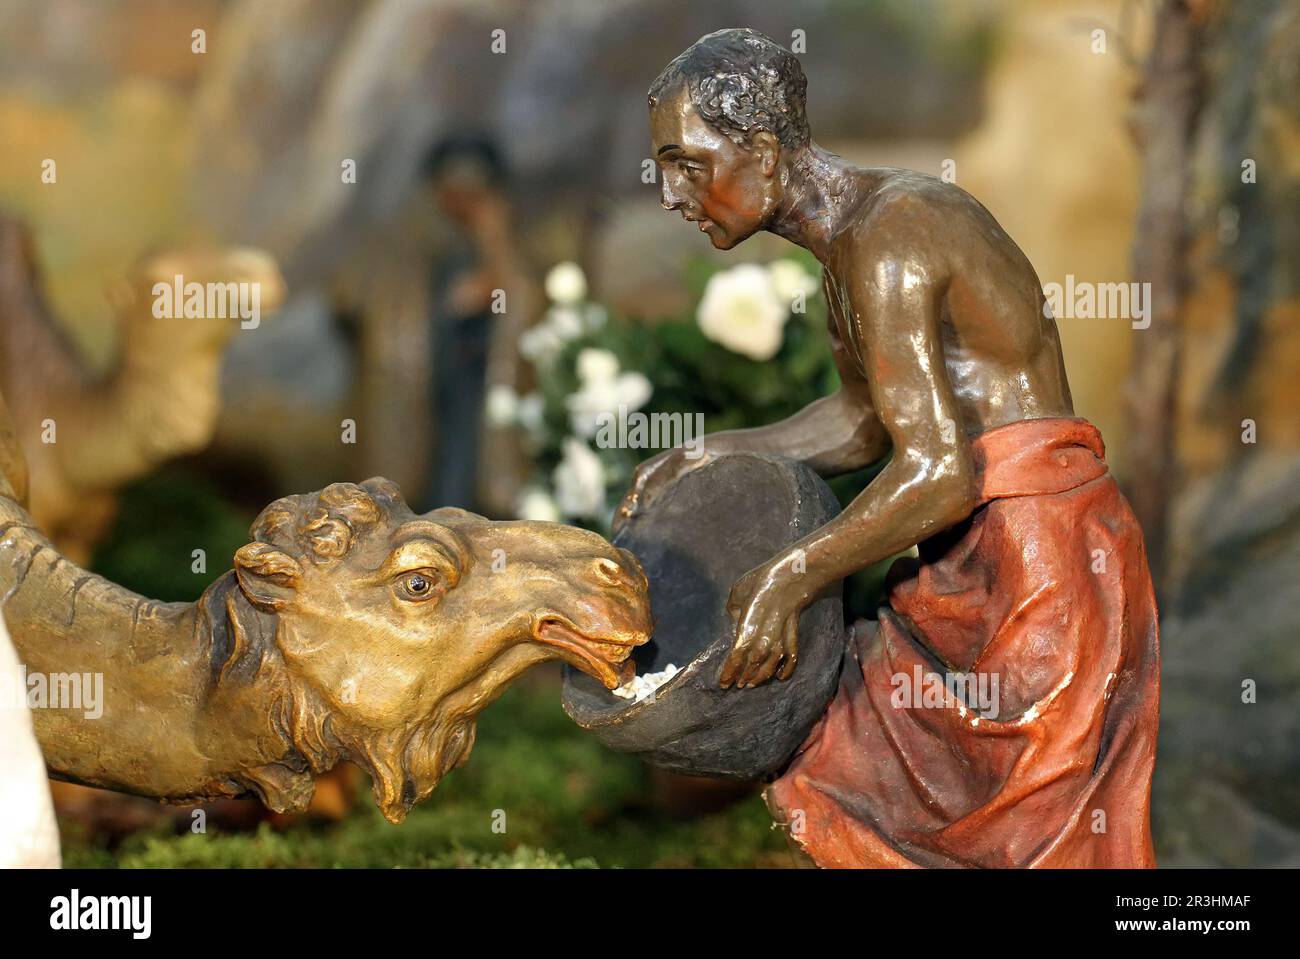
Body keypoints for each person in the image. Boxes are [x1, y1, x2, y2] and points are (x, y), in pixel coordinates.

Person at [618, 28, 1159, 868]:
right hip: (972, 557)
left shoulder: (891, 233)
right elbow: (865, 424)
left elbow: (940, 473)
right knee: (864, 771)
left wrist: (790, 573)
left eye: (686, 162)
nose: (669, 192)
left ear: (762, 152)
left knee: (1030, 838)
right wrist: (708, 454)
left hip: (1037, 568)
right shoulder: (848, 248)